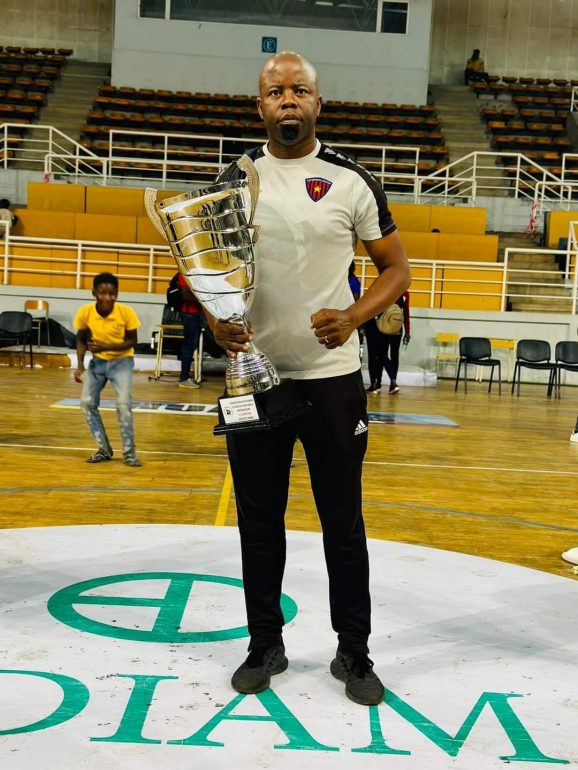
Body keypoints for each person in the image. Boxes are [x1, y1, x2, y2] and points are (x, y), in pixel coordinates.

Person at [207, 52, 410, 705]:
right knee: (258, 525)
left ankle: (354, 652)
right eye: (275, 92)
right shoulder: (234, 178)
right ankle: (265, 643)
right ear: (259, 105)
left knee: (342, 523)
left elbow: (396, 270)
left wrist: (354, 315)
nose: (287, 100)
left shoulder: (352, 181)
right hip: (255, 379)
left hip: (331, 380)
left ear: (318, 103)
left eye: (299, 90)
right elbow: (205, 267)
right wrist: (215, 321)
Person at [74, 272, 142, 467]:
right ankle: (104, 449)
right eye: (103, 293)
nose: (107, 298)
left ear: (117, 294)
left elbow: (132, 341)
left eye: (112, 294)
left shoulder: (126, 312)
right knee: (87, 402)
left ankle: (129, 453)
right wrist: (80, 365)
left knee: (123, 404)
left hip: (122, 361)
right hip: (97, 363)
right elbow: (80, 338)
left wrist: (105, 347)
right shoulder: (86, 312)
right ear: (94, 293)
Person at [365, 291, 410, 395]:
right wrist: (407, 331)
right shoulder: (405, 294)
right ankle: (390, 383)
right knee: (391, 355)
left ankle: (387, 383)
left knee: (383, 355)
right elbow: (406, 313)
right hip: (397, 327)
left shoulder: (389, 289)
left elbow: (405, 312)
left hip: (385, 326)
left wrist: (408, 331)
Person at [176, 273, 203, 389]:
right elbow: (186, 294)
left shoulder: (197, 272)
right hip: (190, 314)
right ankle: (184, 378)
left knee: (194, 344)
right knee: (189, 345)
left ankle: (187, 376)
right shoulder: (184, 273)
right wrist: (205, 304)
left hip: (198, 313)